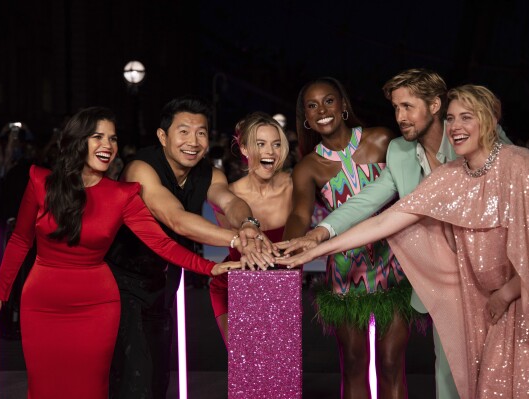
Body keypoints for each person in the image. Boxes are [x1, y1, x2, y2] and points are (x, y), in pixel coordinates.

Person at [278, 84, 529, 398]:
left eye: (465, 117)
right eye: (451, 119)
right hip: (452, 291)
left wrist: (507, 292)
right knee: (481, 381)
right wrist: (314, 244)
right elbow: (380, 215)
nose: (454, 127)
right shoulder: (450, 175)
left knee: (525, 380)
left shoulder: (523, 167)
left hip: (501, 291)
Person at [0, 106, 238, 399]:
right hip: (42, 303)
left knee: (91, 389)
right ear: (78, 141)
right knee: (44, 389)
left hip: (97, 305)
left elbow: (161, 243)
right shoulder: (41, 182)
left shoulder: (122, 195)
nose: (108, 146)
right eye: (98, 137)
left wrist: (208, 267)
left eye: (113, 139)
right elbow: (20, 241)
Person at [105, 96, 278, 399]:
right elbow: (176, 219)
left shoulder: (209, 173)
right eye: (183, 131)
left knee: (157, 379)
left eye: (200, 133)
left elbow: (230, 201)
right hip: (121, 287)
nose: (193, 141)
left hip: (163, 287)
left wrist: (248, 223)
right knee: (133, 378)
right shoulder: (141, 169)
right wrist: (237, 240)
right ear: (163, 136)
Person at [283, 77, 412, 398]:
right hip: (344, 272)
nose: (321, 110)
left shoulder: (382, 140)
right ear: (306, 119)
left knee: (391, 362)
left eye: (328, 101)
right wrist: (286, 249)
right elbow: (300, 215)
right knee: (354, 363)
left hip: (393, 264)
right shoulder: (307, 167)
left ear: (343, 107)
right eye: (311, 106)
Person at [209, 111, 292, 345]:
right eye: (261, 144)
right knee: (247, 371)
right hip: (235, 289)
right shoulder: (229, 194)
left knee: (280, 375)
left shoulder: (296, 188)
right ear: (244, 149)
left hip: (283, 292)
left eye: (276, 144)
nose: (270, 152)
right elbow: (236, 247)